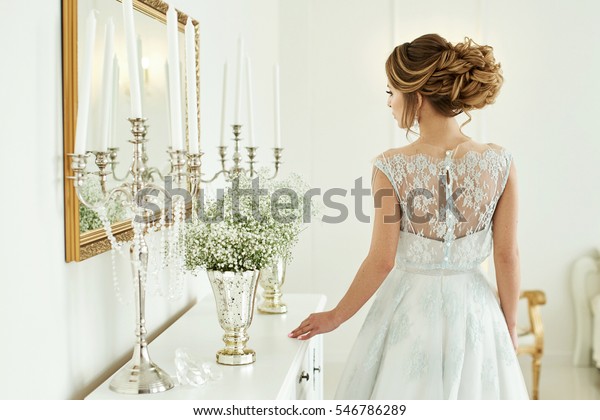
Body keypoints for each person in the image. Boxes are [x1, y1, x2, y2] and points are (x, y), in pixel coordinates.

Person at [288, 33, 529, 399]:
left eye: (391, 92)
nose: (388, 102)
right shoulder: (500, 162)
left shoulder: (391, 165)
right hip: (477, 313)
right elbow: (507, 256)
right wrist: (509, 324)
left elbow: (381, 261)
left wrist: (335, 316)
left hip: (409, 313)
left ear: (416, 96)